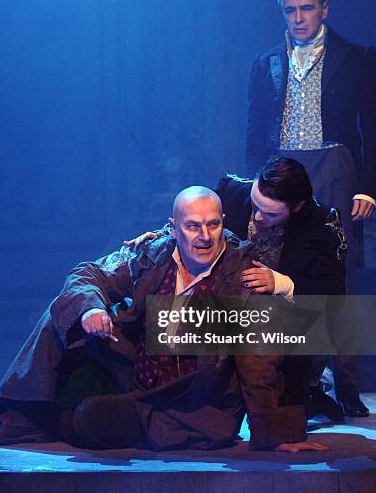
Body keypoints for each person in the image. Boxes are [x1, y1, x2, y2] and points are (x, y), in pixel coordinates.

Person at [0, 187, 325, 453]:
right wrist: (92, 309)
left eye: (212, 225)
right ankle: (23, 416)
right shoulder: (153, 254)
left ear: (223, 224)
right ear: (174, 228)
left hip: (190, 400)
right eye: (192, 226)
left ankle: (59, 422)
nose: (204, 236)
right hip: (135, 370)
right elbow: (87, 275)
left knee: (91, 417)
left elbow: (257, 360)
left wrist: (271, 430)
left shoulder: (241, 275)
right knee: (66, 307)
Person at [245, 0, 376, 417]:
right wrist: (255, 187)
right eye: (291, 10)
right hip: (282, 166)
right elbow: (253, 130)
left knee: (339, 273)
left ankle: (345, 384)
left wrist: (367, 186)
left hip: (335, 164)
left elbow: (375, 126)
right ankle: (291, 382)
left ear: (325, 8)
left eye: (307, 8)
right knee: (277, 267)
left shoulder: (356, 57)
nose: (299, 18)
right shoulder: (266, 61)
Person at [126, 158, 347, 422]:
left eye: (271, 214)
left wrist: (282, 283)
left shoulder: (322, 225)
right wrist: (163, 237)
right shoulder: (232, 191)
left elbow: (332, 292)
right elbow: (195, 219)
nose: (258, 217)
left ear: (297, 207)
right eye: (255, 206)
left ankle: (314, 388)